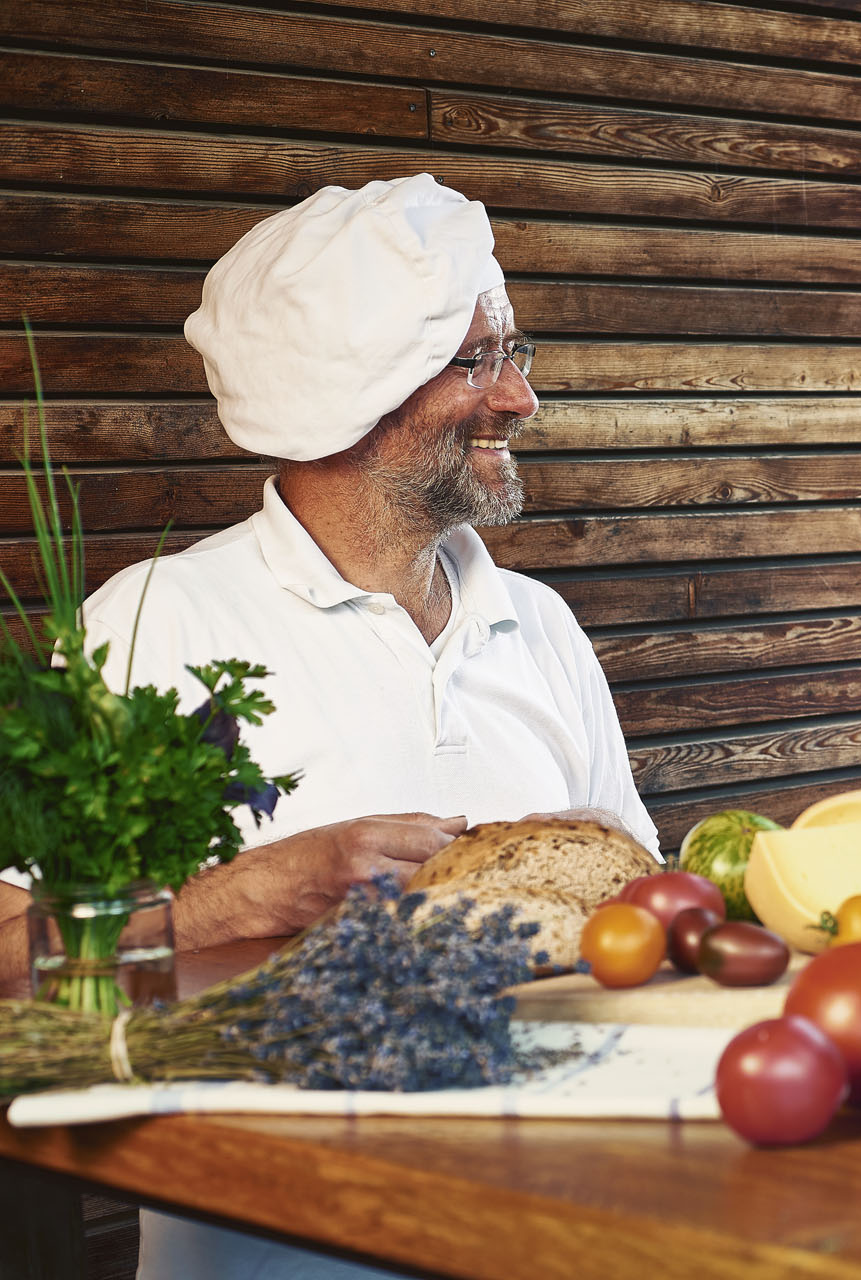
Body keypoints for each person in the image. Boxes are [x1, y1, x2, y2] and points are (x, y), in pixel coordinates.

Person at [1, 173, 656, 1278]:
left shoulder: (537, 623)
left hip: (564, 1235)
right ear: (347, 393)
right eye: (473, 360)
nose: (518, 398)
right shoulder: (154, 622)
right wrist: (238, 896)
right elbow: (10, 954)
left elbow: (644, 909)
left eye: (515, 353)